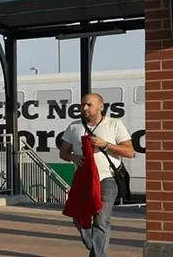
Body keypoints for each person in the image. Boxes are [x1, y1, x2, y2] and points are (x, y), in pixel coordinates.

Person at [58, 93, 135, 256]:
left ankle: (97, 254)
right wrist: (73, 157)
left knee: (101, 221)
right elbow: (63, 152)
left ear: (101, 106)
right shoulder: (74, 126)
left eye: (89, 105)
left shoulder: (114, 124)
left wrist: (105, 144)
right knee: (78, 218)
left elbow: (130, 152)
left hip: (107, 179)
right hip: (83, 180)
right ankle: (95, 248)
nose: (84, 108)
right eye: (82, 105)